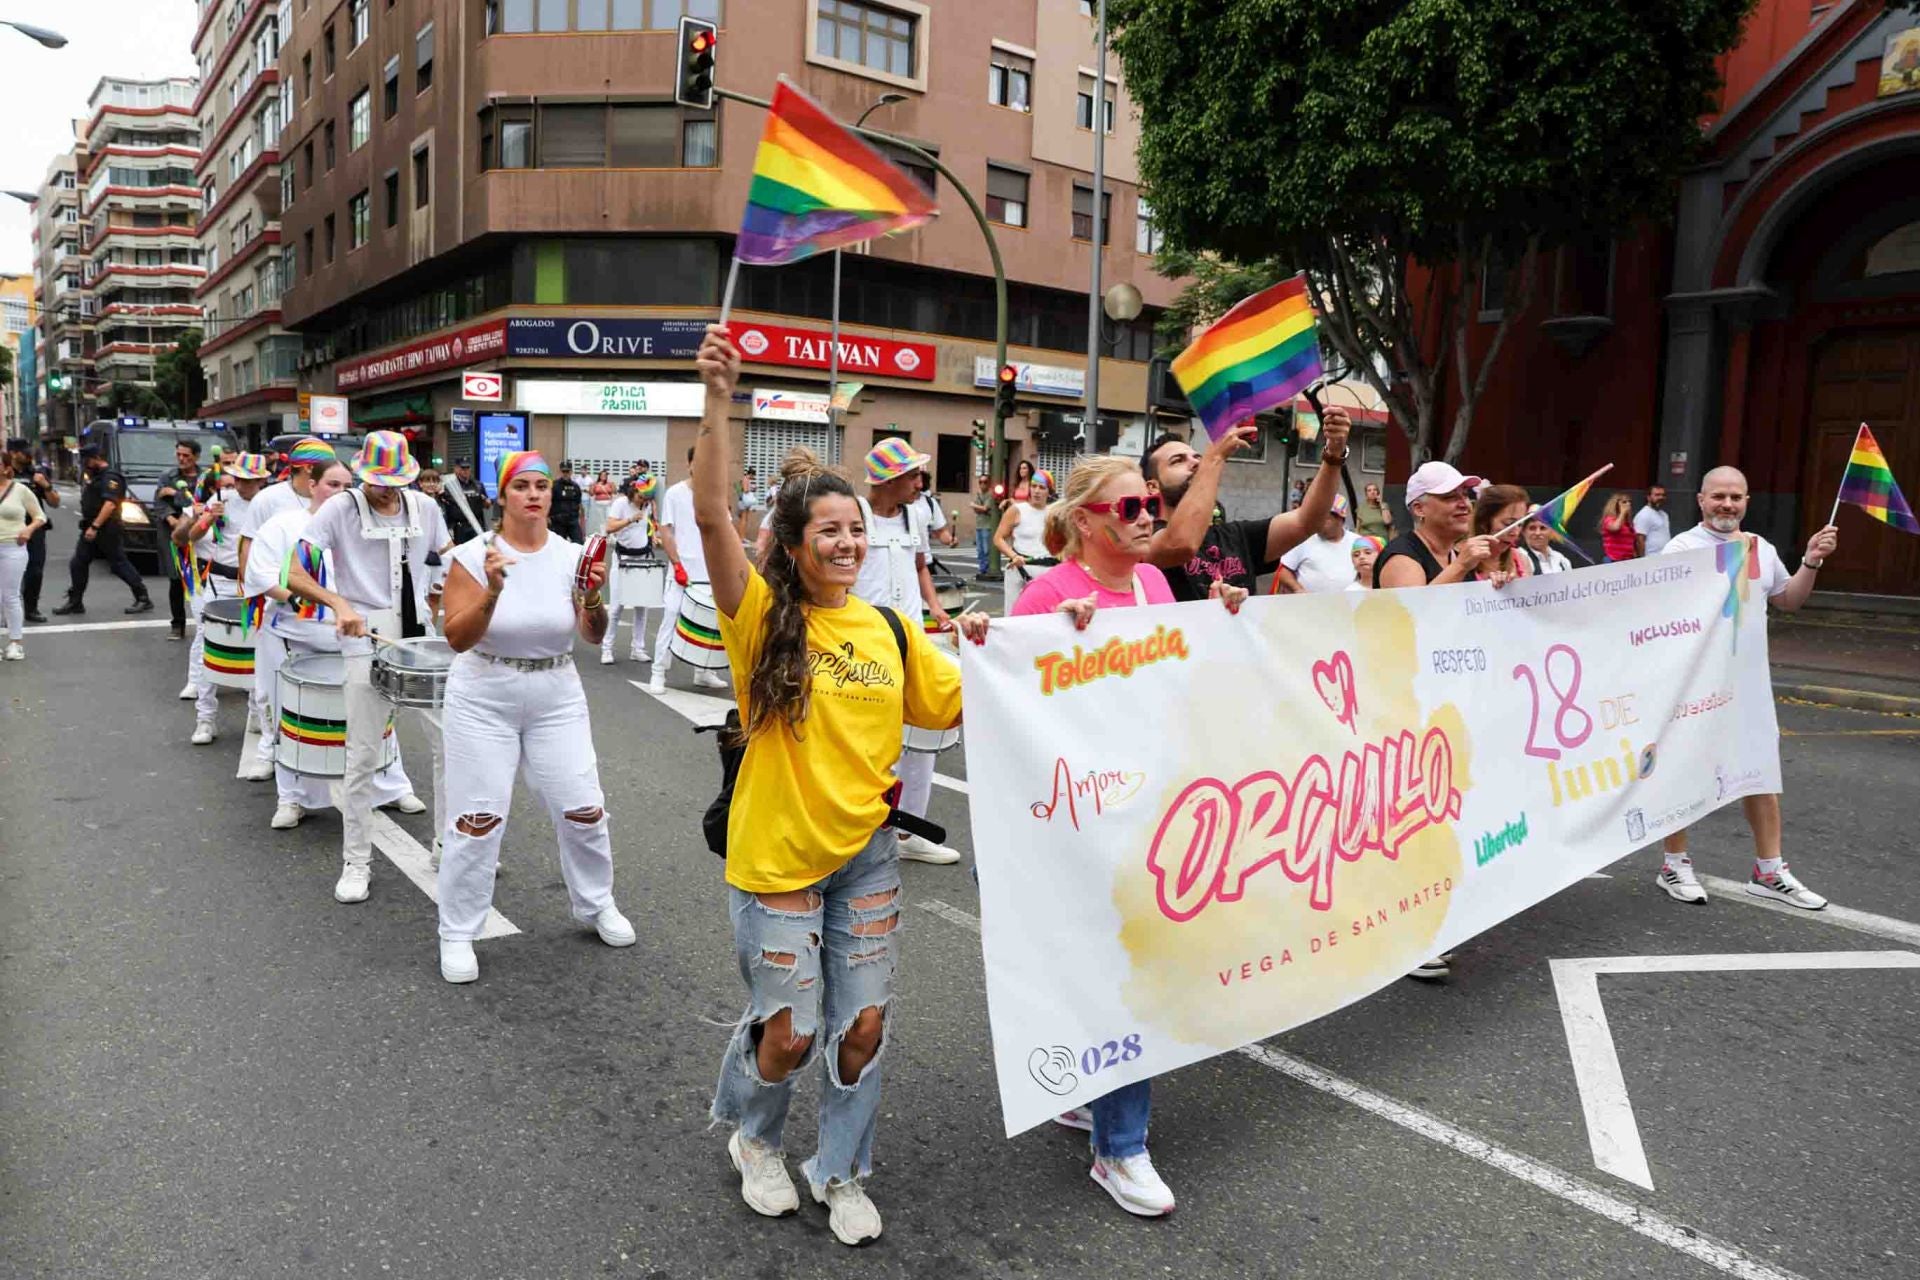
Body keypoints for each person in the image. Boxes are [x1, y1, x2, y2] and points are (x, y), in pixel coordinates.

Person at [693, 325, 986, 1247]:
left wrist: (1042, 640)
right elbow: (708, 520)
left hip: (866, 859)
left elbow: (969, 704)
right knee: (791, 1035)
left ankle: (841, 1169)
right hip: (776, 858)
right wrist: (717, 399)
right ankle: (755, 1137)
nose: (850, 542)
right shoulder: (761, 618)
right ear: (794, 543)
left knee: (859, 1027)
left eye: (859, 529)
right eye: (832, 531)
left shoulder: (892, 628)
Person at [1010, 455, 1249, 1219]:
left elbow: (1174, 687)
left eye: (1151, 502)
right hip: (1077, 826)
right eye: (1133, 505)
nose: (1150, 514)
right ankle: (1120, 1150)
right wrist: (1056, 650)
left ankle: (1087, 1091)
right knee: (1125, 975)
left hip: (1147, 812)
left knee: (1124, 969)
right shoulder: (1047, 596)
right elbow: (1015, 710)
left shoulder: (1151, 584)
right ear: (1085, 521)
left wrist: (1227, 624)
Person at [435, 450, 635, 984]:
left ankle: (595, 904)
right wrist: (493, 592)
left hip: (555, 690)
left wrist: (591, 597)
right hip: (484, 691)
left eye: (541, 486)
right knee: (477, 820)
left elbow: (590, 634)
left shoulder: (572, 555)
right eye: (521, 485)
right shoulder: (473, 555)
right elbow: (457, 637)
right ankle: (457, 929)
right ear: (503, 496)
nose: (533, 494)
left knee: (584, 807)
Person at [1655, 466, 1839, 911]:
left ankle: (1769, 870)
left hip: (1748, 683)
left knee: (1760, 770)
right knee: (1683, 770)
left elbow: (1788, 600)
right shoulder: (1681, 549)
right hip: (1695, 686)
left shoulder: (1760, 547)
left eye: (1736, 497)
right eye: (1718, 496)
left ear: (1747, 502)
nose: (1727, 505)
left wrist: (1811, 559)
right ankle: (1673, 864)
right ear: (1701, 500)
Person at [285, 431, 453, 905]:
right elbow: (294, 573)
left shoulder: (426, 508)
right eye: (377, 480)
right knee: (361, 754)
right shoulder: (339, 508)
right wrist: (338, 603)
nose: (386, 489)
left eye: (394, 480)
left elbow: (448, 562)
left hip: (419, 635)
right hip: (364, 634)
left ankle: (447, 845)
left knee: (449, 744)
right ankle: (356, 860)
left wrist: (442, 608)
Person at [244, 461, 423, 830]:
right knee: (295, 717)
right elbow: (263, 576)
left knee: (377, 714)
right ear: (312, 485)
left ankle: (389, 786)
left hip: (359, 639)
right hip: (297, 636)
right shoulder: (282, 526)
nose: (340, 492)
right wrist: (321, 604)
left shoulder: (365, 522)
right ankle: (293, 797)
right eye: (331, 484)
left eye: (346, 484)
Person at [855, 438, 958, 865]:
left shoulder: (915, 514)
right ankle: (861, 830)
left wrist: (936, 609)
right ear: (890, 479)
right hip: (863, 643)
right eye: (913, 475)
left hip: (911, 639)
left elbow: (920, 566)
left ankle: (909, 831)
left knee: (922, 737)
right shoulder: (856, 513)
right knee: (869, 741)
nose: (920, 482)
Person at [1143, 409, 1351, 601]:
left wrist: (1333, 456)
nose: (1196, 462)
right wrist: (1213, 458)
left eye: (1197, 457)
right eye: (1178, 460)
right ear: (1152, 486)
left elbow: (1307, 521)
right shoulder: (1142, 541)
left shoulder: (1235, 536)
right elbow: (1182, 544)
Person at [174, 453, 272, 744]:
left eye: (250, 480)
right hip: (218, 582)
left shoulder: (271, 505)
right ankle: (205, 719)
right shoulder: (220, 500)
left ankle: (256, 712)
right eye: (239, 478)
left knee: (259, 650)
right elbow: (183, 538)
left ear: (262, 480)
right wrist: (205, 519)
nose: (243, 484)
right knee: (209, 647)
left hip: (256, 585)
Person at [647, 447, 728, 693]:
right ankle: (658, 672)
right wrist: (677, 564)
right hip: (682, 573)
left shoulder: (715, 495)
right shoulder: (675, 494)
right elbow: (666, 531)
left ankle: (703, 672)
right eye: (698, 463)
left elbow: (724, 532)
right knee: (671, 618)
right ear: (690, 464)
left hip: (710, 573)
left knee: (710, 625)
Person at [53, 446, 153, 616]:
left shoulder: (110, 477)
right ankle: (75, 601)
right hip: (93, 527)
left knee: (118, 564)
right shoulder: (97, 477)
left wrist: (95, 526)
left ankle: (143, 597)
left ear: (96, 458)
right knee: (78, 563)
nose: (85, 465)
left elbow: (110, 504)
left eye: (87, 461)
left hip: (106, 528)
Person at [1374, 461, 1496, 591]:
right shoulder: (1401, 558)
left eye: (1465, 495)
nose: (1464, 504)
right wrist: (1460, 566)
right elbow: (1412, 610)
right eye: (1450, 497)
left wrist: (1496, 588)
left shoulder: (1457, 556)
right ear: (1419, 509)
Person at [600, 474, 661, 665]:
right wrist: (630, 520)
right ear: (633, 491)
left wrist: (653, 537)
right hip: (622, 558)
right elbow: (609, 527)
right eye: (641, 497)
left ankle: (638, 648)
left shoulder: (648, 506)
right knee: (617, 606)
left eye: (647, 499)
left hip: (642, 558)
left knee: (642, 606)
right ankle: (607, 649)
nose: (643, 501)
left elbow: (647, 527)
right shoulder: (621, 504)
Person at [0, 451, 50, 660]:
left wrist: (28, 531)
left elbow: (40, 516)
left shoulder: (20, 490)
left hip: (13, 546)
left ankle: (15, 643)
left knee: (9, 596)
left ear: (5, 467)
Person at [155, 438, 205, 639]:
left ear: (196, 457)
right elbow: (158, 502)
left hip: (199, 532)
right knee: (176, 579)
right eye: (179, 455)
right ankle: (177, 625)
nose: (182, 459)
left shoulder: (205, 477)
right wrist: (171, 519)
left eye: (186, 455)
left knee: (201, 578)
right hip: (172, 533)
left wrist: (174, 493)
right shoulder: (168, 476)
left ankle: (205, 622)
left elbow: (197, 503)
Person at [6, 441, 59, 625]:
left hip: (35, 529)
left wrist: (46, 486)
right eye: (24, 452)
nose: (28, 455)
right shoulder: (4, 473)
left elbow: (55, 502)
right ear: (13, 453)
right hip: (7, 529)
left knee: (35, 570)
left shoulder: (36, 474)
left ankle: (31, 608)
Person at [992, 468, 1055, 609]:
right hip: (1019, 569)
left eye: (1042, 487)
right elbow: (998, 538)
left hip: (1047, 570)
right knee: (1013, 614)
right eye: (1034, 486)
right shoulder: (1017, 510)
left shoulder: (1054, 513)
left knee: (1043, 615)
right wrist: (1014, 556)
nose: (1037, 491)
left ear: (1049, 491)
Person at [1273, 493, 1362, 593]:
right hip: (1309, 605)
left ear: (1340, 519)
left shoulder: (1357, 542)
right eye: (1318, 518)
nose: (1319, 523)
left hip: (1348, 605)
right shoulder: (1303, 539)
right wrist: (1297, 589)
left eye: (1326, 519)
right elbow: (1283, 570)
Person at [1467, 485, 1534, 586]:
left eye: (1520, 524)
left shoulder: (1521, 559)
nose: (1515, 533)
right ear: (1484, 522)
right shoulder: (1461, 560)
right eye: (1508, 524)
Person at [917, 470, 956, 548]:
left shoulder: (930, 503)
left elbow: (941, 532)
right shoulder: (896, 502)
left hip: (925, 557)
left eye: (918, 479)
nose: (917, 484)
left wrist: (950, 539)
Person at [549, 461, 585, 541]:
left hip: (572, 521)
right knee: (558, 547)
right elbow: (547, 502)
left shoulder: (575, 487)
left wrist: (582, 524)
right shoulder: (554, 486)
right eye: (563, 471)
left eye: (567, 471)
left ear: (571, 472)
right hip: (558, 522)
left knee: (579, 544)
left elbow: (579, 504)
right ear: (560, 471)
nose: (565, 473)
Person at [1598, 492, 1638, 562]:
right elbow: (1615, 527)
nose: (1628, 504)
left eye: (1629, 502)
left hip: (1627, 559)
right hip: (1613, 559)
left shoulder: (1628, 522)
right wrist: (1622, 512)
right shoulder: (1609, 519)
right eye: (1624, 502)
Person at [1633, 484, 1671, 556]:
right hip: (1650, 558)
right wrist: (1642, 560)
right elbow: (1639, 540)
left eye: (1663, 495)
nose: (1661, 497)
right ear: (1648, 497)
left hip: (1663, 556)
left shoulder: (1664, 514)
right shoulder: (1644, 514)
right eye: (1657, 495)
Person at [969, 472, 994, 577]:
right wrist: (979, 508)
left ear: (988, 483)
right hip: (979, 525)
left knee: (986, 549)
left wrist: (976, 506)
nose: (982, 484)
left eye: (985, 482)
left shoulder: (991, 495)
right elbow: (977, 510)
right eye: (980, 482)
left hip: (987, 526)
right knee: (980, 550)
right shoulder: (979, 495)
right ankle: (982, 569)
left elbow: (985, 508)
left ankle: (987, 569)